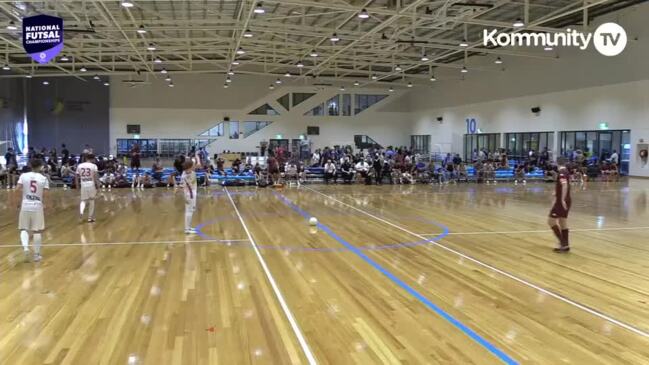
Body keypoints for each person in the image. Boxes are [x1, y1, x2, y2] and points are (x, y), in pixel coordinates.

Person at [16, 158, 49, 262]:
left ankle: (26, 248)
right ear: (40, 166)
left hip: (25, 204)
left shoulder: (23, 176)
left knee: (23, 228)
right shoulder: (43, 178)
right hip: (37, 205)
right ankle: (36, 255)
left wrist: (16, 202)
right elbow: (46, 195)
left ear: (30, 165)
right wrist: (47, 205)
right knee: (37, 230)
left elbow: (17, 189)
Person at [548, 159, 572, 253]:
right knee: (563, 221)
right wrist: (556, 192)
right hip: (567, 199)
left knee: (551, 221)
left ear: (557, 163)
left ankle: (563, 243)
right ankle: (565, 245)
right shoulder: (566, 171)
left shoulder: (562, 172)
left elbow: (565, 185)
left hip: (561, 202)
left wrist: (561, 199)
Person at [76, 154, 99, 223]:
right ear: (92, 159)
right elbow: (96, 177)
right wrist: (98, 186)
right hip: (91, 184)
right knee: (92, 200)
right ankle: (90, 218)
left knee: (83, 200)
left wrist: (77, 184)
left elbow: (76, 176)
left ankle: (81, 212)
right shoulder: (94, 166)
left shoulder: (80, 165)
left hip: (83, 184)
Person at [182, 160, 198, 234]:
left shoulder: (189, 172)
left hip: (192, 194)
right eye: (193, 165)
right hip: (190, 195)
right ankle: (187, 229)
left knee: (190, 211)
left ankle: (188, 227)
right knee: (189, 211)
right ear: (190, 167)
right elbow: (185, 187)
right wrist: (185, 197)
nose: (194, 166)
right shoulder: (186, 176)